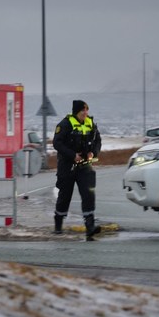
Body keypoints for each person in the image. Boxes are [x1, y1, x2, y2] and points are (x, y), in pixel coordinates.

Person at [52, 100, 102, 241]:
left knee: (88, 194)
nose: (85, 113)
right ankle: (58, 225)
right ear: (76, 112)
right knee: (65, 196)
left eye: (87, 110)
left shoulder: (90, 123)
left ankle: (90, 227)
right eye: (82, 111)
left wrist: (94, 152)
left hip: (85, 166)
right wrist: (73, 155)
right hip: (67, 165)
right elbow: (57, 143)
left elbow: (98, 140)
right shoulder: (65, 124)